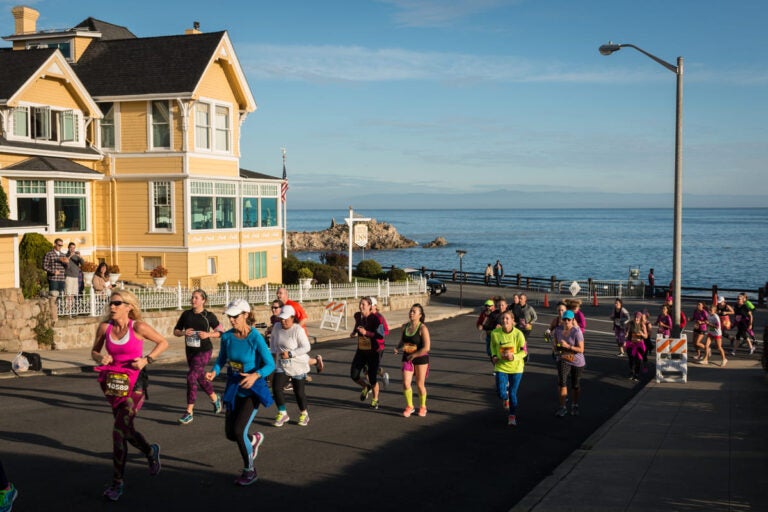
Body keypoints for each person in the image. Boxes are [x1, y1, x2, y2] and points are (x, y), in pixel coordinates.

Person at [90, 289, 168, 501]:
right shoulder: (105, 327)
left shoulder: (138, 327)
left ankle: (117, 482)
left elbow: (163, 343)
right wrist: (100, 358)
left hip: (136, 383)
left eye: (117, 303)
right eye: (111, 303)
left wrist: (146, 360)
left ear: (128, 307)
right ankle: (150, 452)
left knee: (118, 430)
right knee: (125, 428)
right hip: (113, 382)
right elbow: (94, 352)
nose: (112, 307)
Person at [205, 299, 275, 486]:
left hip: (252, 390)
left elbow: (270, 364)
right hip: (234, 387)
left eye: (235, 316)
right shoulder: (227, 337)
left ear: (245, 315)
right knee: (230, 434)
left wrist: (255, 375)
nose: (232, 320)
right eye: (230, 316)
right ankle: (254, 439)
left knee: (238, 431)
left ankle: (250, 470)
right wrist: (214, 371)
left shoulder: (256, 338)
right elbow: (221, 360)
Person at [173, 289, 223, 425]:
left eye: (196, 298)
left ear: (203, 300)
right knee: (199, 377)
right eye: (192, 297)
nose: (193, 300)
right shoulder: (186, 314)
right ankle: (215, 398)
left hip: (204, 351)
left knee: (191, 376)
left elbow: (220, 332)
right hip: (190, 351)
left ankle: (189, 412)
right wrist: (183, 333)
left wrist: (208, 335)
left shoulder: (209, 316)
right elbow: (175, 331)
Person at [271, 305, 312, 427]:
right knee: (276, 387)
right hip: (282, 364)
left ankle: (304, 414)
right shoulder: (277, 327)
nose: (283, 321)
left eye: (286, 319)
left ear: (293, 318)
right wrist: (273, 356)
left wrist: (290, 354)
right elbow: (273, 341)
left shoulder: (297, 329)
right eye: (281, 318)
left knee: (299, 392)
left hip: (297, 364)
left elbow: (306, 347)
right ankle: (282, 413)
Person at [489, 311, 526, 426]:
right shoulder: (495, 333)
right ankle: (505, 398)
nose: (504, 320)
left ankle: (512, 416)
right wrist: (494, 356)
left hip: (516, 368)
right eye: (503, 318)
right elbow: (493, 346)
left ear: (512, 321)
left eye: (507, 318)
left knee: (513, 393)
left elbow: (524, 351)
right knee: (501, 392)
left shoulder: (518, 334)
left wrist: (513, 356)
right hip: (501, 366)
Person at [394, 303, 431, 417]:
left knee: (420, 384)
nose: (411, 313)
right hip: (407, 357)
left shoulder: (422, 328)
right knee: (406, 383)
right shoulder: (405, 326)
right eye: (410, 311)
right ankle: (410, 406)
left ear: (420, 315)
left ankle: (423, 406)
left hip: (420, 357)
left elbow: (427, 347)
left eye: (414, 311)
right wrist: (397, 347)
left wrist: (414, 355)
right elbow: (402, 341)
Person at [349, 297, 384, 409]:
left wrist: (366, 332)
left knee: (372, 377)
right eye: (360, 304)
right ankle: (366, 386)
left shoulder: (376, 319)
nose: (361, 306)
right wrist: (354, 332)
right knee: (354, 375)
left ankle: (375, 399)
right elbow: (357, 323)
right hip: (361, 350)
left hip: (373, 352)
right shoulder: (358, 315)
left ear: (370, 306)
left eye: (363, 304)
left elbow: (380, 335)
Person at [553, 310, 585, 417]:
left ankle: (575, 404)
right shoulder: (558, 330)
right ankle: (563, 407)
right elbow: (555, 345)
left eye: (569, 319)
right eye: (564, 319)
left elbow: (581, 349)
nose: (566, 321)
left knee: (575, 385)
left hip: (577, 360)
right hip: (563, 359)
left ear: (573, 320)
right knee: (562, 382)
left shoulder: (577, 332)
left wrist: (568, 346)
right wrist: (556, 349)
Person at [370, 297, 390, 388]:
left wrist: (378, 334)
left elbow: (386, 331)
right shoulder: (366, 317)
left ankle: (383, 375)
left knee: (372, 367)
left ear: (374, 306)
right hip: (367, 346)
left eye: (370, 305)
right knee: (366, 368)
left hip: (378, 346)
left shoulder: (379, 317)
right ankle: (370, 385)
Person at [625, 312, 647, 381]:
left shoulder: (642, 325)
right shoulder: (629, 323)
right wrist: (626, 334)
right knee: (631, 359)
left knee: (638, 360)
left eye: (638, 317)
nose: (636, 319)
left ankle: (636, 374)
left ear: (640, 318)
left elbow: (646, 336)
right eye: (635, 317)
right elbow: (626, 332)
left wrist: (642, 334)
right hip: (630, 344)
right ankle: (632, 372)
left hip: (639, 344)